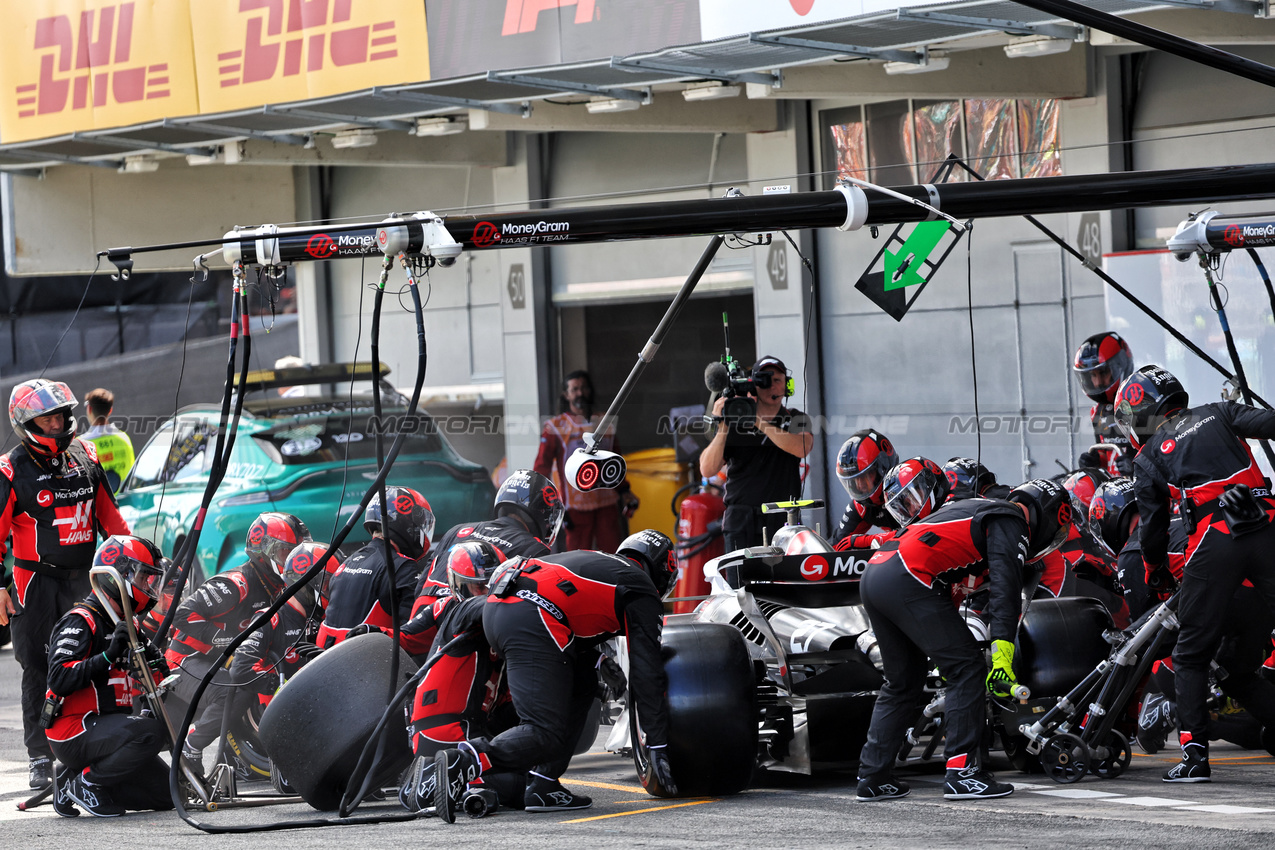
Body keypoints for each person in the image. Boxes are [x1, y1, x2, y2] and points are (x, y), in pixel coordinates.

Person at [855, 466, 1070, 803]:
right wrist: (1002, 656)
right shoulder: (1010, 518)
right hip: (908, 576)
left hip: (877, 573)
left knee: (902, 683)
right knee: (968, 669)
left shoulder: (974, 508)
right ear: (1046, 517)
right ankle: (963, 773)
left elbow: (946, 580)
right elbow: (1005, 588)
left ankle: (872, 776)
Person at [431, 530, 679, 822]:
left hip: (504, 609)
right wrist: (658, 745)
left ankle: (543, 784)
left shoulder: (598, 563)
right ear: (664, 570)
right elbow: (646, 671)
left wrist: (598, 661)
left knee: (584, 683)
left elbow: (568, 607)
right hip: (533, 618)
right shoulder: (640, 588)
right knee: (543, 731)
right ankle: (465, 761)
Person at [1116, 364, 1275, 782]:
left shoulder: (1148, 456)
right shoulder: (1220, 411)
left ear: (1143, 413)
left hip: (1215, 540)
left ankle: (1193, 758)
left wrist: (1155, 573)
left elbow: (1151, 531)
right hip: (1267, 525)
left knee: (1189, 655)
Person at [0, 378, 131, 789]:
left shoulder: (87, 454)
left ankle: (88, 740)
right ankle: (40, 757)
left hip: (86, 581)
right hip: (33, 584)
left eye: (60, 415)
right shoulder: (9, 468)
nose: (58, 423)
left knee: (94, 659)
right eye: (48, 418)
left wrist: (135, 560)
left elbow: (112, 520)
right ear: (27, 423)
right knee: (38, 667)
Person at [164, 512, 312, 768]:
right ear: (263, 550)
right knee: (232, 691)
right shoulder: (236, 584)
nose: (291, 560)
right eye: (285, 552)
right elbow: (181, 613)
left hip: (220, 662)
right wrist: (225, 640)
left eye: (295, 552)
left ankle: (239, 757)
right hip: (185, 660)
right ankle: (190, 748)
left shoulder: (277, 585)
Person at [45, 536, 173, 817]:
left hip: (107, 729)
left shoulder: (127, 622)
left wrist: (159, 668)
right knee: (150, 733)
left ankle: (70, 781)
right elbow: (58, 678)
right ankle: (87, 783)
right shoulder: (81, 619)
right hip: (74, 728)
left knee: (169, 794)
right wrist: (106, 656)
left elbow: (157, 674)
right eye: (144, 578)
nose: (148, 586)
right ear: (118, 575)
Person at [399, 541, 525, 815]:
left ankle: (441, 777)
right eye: (479, 586)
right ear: (460, 585)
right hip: (448, 728)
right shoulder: (461, 610)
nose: (489, 592)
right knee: (523, 786)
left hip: (474, 725)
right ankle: (436, 781)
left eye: (493, 583)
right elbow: (484, 606)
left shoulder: (499, 620)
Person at [699, 356, 813, 551]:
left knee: (784, 581)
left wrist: (758, 421)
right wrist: (722, 425)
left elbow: (801, 447)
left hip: (782, 517)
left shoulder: (796, 418)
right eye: (764, 380)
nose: (771, 386)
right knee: (740, 581)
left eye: (777, 380)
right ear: (754, 385)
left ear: (787, 386)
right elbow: (707, 469)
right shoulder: (735, 422)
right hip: (740, 519)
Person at [534, 370, 639, 552]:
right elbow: (542, 468)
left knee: (613, 556)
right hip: (574, 509)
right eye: (574, 389)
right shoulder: (555, 427)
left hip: (607, 504)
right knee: (578, 559)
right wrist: (548, 504)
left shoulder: (605, 421)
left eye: (583, 388)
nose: (580, 393)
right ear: (566, 395)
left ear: (589, 390)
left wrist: (624, 491)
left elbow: (616, 460)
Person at [416, 469, 562, 597]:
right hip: (466, 624)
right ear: (545, 514)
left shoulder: (457, 530)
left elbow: (420, 587)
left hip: (421, 616)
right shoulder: (534, 548)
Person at [317, 487, 433, 647]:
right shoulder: (402, 566)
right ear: (406, 521)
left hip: (327, 657)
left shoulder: (348, 561)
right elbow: (412, 633)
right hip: (366, 659)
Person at [1072, 331, 1137, 476]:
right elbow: (1107, 457)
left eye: (1103, 373)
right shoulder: (1097, 412)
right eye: (1093, 375)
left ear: (1121, 366)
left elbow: (1163, 455)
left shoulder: (1142, 404)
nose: (1097, 382)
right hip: (1112, 492)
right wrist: (1094, 463)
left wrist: (1138, 466)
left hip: (1143, 491)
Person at [829, 430, 900, 550]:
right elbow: (835, 546)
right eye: (854, 481)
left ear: (883, 467)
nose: (860, 485)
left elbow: (920, 533)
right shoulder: (861, 506)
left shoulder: (907, 487)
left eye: (865, 477)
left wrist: (867, 541)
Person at [81, 388, 135, 493]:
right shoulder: (124, 439)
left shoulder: (80, 445)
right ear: (110, 410)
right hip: (124, 503)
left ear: (89, 409)